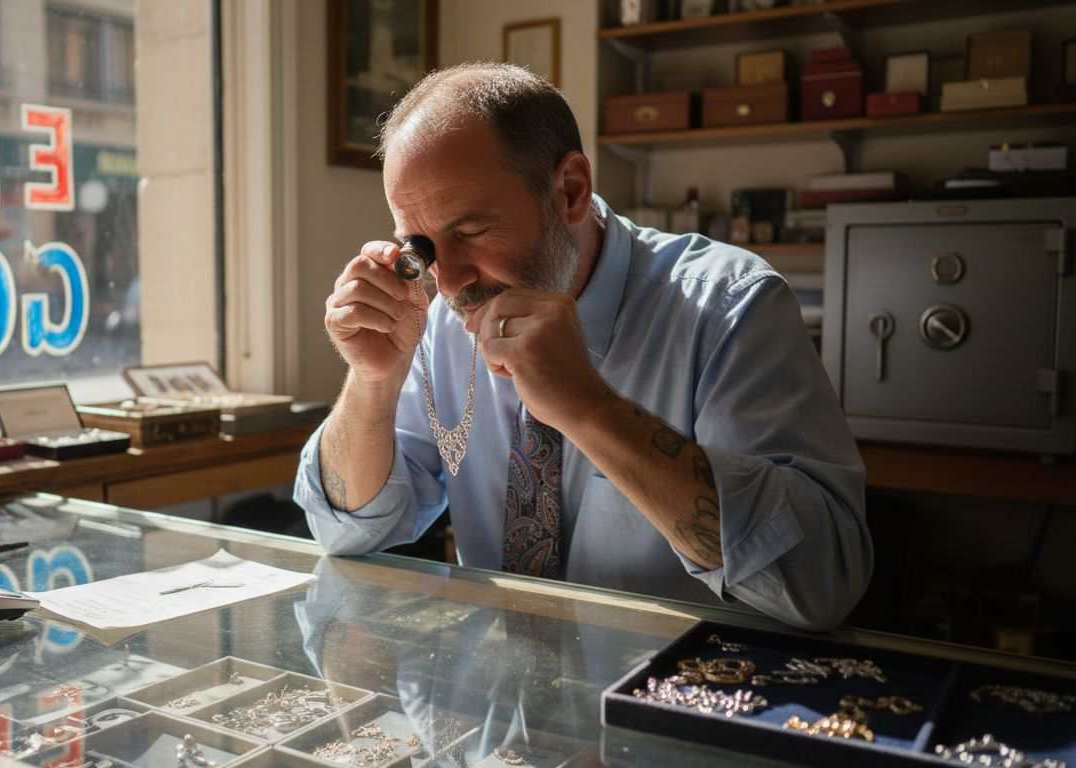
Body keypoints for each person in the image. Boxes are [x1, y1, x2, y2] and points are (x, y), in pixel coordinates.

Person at [292, 62, 871, 631]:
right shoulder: (441, 321)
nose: (448, 284)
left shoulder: (729, 307)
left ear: (570, 190)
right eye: (422, 246)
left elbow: (821, 584)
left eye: (471, 231)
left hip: (678, 682)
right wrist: (372, 381)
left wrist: (589, 408)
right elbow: (346, 531)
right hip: (498, 684)